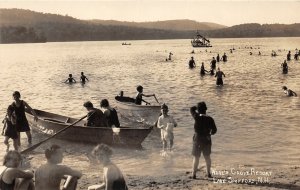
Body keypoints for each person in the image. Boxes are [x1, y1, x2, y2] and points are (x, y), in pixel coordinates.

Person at [190, 102, 217, 179]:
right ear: (206, 109)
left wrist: (197, 108)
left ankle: (194, 174)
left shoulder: (196, 116)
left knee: (196, 157)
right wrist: (210, 134)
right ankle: (209, 173)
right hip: (207, 139)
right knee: (207, 157)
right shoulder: (210, 119)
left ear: (198, 110)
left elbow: (191, 109)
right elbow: (214, 130)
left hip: (197, 139)